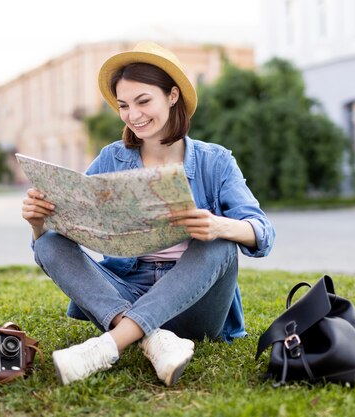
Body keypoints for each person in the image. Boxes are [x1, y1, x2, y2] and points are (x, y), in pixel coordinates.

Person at [21, 42, 275, 386]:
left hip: (195, 304)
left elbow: (262, 232)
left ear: (172, 96)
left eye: (143, 101)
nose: (133, 115)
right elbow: (74, 225)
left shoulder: (215, 160)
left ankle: (109, 345)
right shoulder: (112, 158)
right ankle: (153, 339)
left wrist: (217, 225)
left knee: (219, 243)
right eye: (124, 106)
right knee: (48, 244)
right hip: (126, 294)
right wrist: (40, 223)